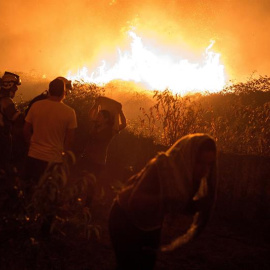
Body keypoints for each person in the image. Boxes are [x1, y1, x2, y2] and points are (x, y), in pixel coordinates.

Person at [108, 133, 217, 270]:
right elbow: (135, 201)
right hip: (124, 220)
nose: (205, 170)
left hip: (151, 225)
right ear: (190, 157)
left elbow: (179, 204)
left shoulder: (190, 177)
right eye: (200, 162)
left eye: (209, 164)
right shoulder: (161, 167)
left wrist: (198, 206)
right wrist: (166, 200)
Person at [23, 77, 77, 201]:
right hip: (53, 161)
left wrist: (30, 144)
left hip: (33, 156)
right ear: (64, 93)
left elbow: (25, 129)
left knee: (28, 193)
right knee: (47, 197)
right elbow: (70, 140)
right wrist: (64, 157)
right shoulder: (70, 112)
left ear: (49, 90)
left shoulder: (36, 105)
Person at [0, 71, 24, 171]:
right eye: (15, 86)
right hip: (2, 137)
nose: (16, 89)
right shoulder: (6, 101)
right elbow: (17, 118)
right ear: (8, 85)